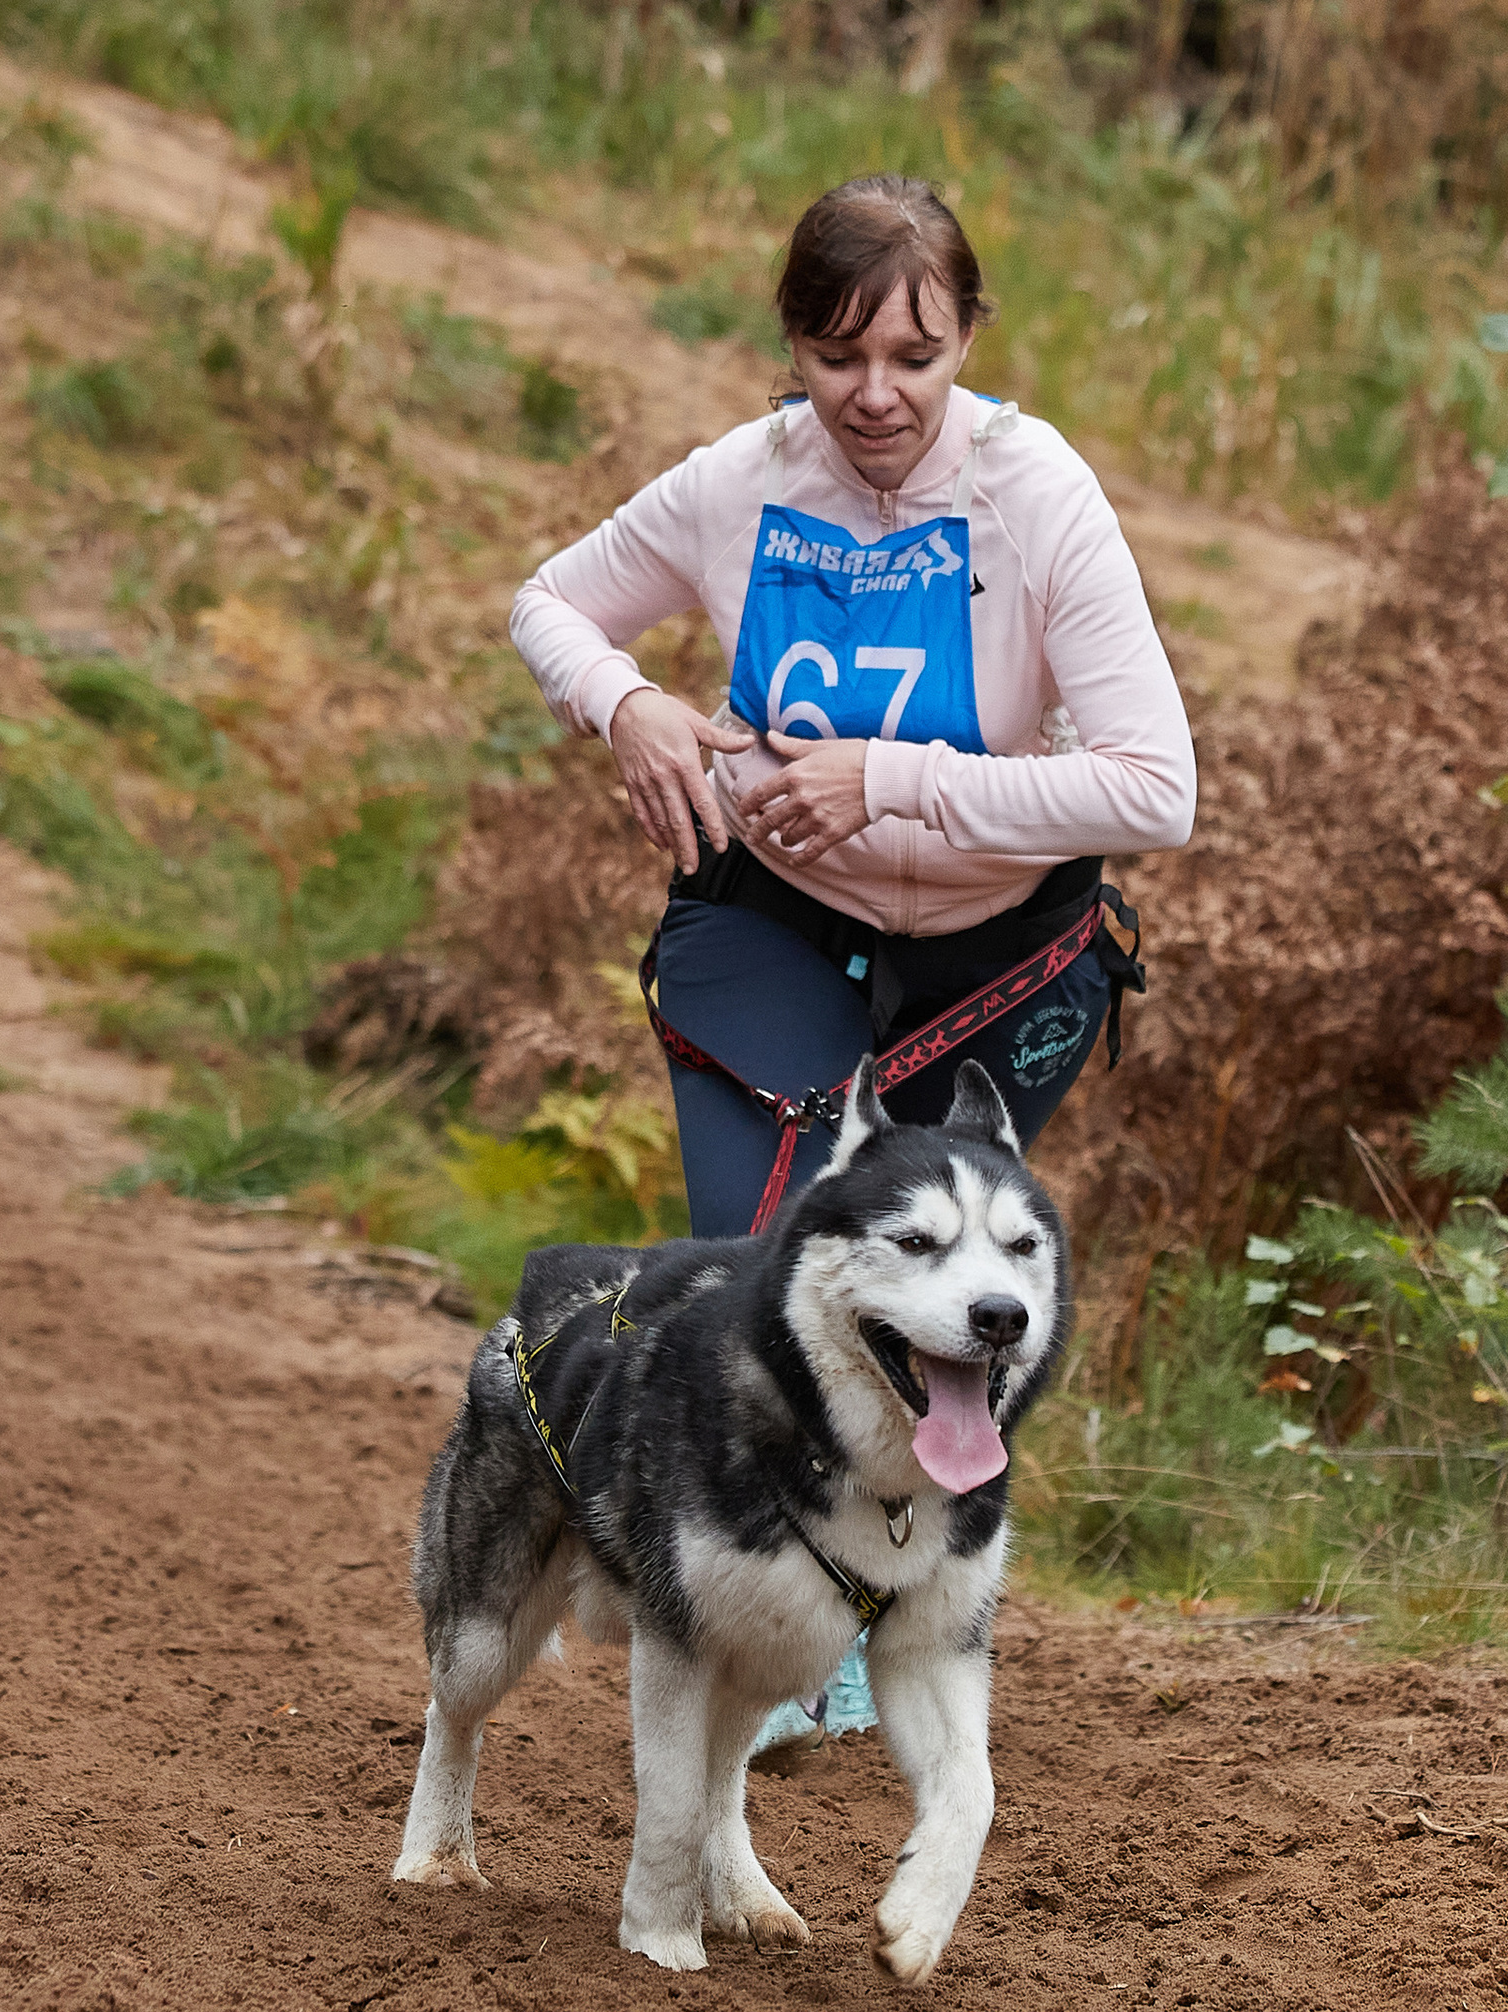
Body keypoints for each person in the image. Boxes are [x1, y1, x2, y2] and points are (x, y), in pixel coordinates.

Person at [508, 172, 1198, 1743]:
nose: (874, 398)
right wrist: (628, 704)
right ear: (794, 349)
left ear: (969, 343)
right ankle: (756, 1613)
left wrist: (896, 780)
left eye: (916, 356)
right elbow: (550, 602)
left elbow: (1159, 787)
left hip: (1004, 948)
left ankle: (892, 1597)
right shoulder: (741, 481)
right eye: (837, 358)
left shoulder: (1036, 496)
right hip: (772, 912)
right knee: (769, 1257)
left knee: (941, 1284)